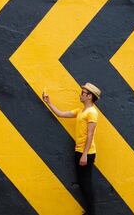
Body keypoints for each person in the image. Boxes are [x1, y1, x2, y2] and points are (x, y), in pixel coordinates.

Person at [42, 82, 101, 215]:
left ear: (90, 96)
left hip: (86, 153)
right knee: (83, 183)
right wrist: (48, 102)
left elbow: (90, 135)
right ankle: (90, 211)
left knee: (86, 184)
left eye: (83, 93)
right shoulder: (81, 111)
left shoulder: (92, 113)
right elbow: (61, 114)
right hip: (79, 151)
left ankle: (92, 213)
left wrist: (85, 155)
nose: (80, 95)